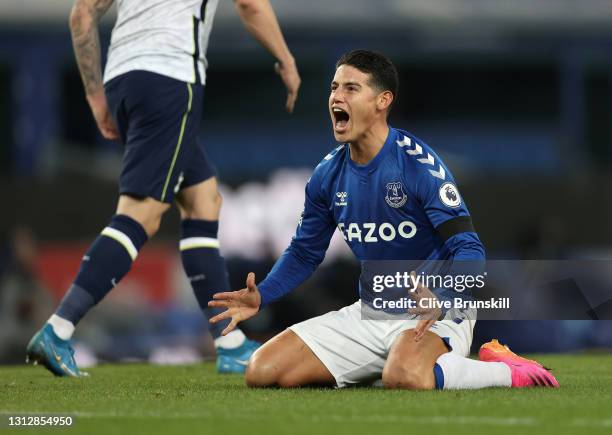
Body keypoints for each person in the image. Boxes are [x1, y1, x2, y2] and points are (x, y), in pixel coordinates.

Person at [208, 50, 559, 389]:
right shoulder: (327, 175)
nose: (336, 98)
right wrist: (262, 295)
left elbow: (469, 248)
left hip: (436, 313)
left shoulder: (418, 165)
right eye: (333, 87)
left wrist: (442, 295)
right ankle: (390, 363)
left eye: (351, 88)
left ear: (382, 101)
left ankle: (506, 371)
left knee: (405, 376)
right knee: (262, 370)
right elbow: (305, 252)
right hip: (371, 312)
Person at [26, 0, 301, 377]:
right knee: (142, 213)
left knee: (203, 199)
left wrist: (94, 96)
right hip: (170, 77)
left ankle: (229, 343)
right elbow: (250, 4)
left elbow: (82, 14)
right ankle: (59, 329)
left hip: (123, 79)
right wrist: (285, 59)